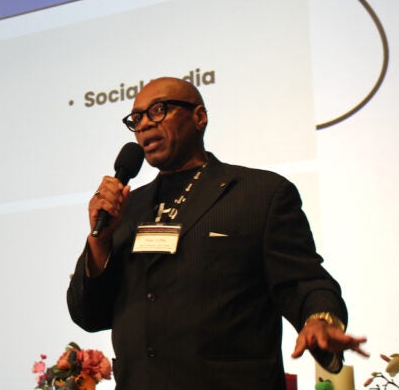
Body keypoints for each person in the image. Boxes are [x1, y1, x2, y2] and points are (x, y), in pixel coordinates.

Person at [67, 77, 367, 389]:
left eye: (158, 110)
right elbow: (89, 315)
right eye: (137, 118)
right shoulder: (127, 207)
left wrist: (320, 319)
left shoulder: (259, 194)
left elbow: (304, 280)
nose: (143, 125)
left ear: (199, 116)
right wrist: (99, 241)